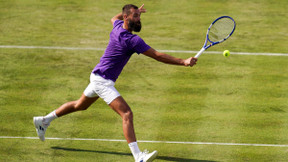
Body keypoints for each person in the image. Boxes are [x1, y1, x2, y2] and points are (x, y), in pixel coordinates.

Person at [33, 4, 197, 162]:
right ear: (126, 17)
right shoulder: (133, 40)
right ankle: (138, 157)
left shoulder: (117, 25)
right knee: (127, 114)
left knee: (80, 105)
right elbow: (157, 55)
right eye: (135, 16)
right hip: (103, 81)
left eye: (139, 16)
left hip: (97, 76)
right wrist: (183, 61)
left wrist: (132, 11)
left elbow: (114, 17)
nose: (139, 19)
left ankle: (44, 121)